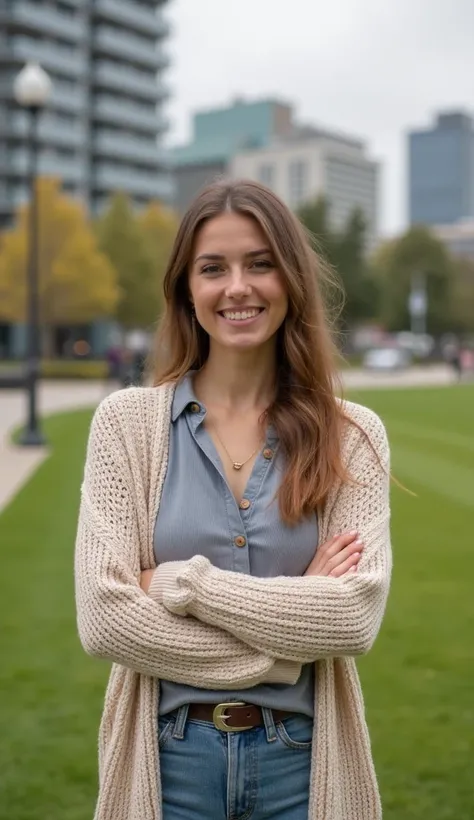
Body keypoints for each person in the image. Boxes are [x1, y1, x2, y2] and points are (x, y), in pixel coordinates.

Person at [75, 179, 392, 820]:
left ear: (290, 280)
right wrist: (287, 642)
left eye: (260, 263)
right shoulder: (126, 425)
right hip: (168, 765)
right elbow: (105, 620)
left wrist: (177, 585)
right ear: (187, 290)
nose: (237, 287)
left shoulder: (353, 434)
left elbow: (352, 619)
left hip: (301, 766)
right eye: (213, 268)